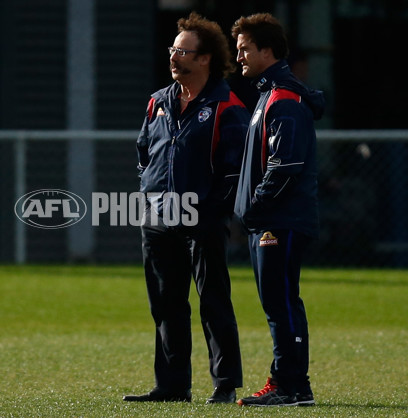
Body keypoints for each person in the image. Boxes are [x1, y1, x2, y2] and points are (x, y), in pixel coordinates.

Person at [123, 12, 249, 404]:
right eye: (172, 49)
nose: (174, 57)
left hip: (202, 219)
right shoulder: (158, 101)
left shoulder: (227, 106)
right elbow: (144, 152)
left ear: (205, 58)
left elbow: (235, 169)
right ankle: (172, 386)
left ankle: (224, 384)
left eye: (183, 52)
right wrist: (149, 193)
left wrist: (211, 211)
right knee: (165, 303)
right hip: (157, 218)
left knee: (213, 302)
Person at [231, 13, 324, 407]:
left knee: (281, 301)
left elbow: (285, 166)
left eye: (245, 49)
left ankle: (290, 386)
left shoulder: (284, 99)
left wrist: (255, 208)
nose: (240, 58)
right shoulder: (269, 94)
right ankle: (289, 383)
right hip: (271, 220)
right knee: (279, 301)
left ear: (267, 51)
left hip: (278, 221)